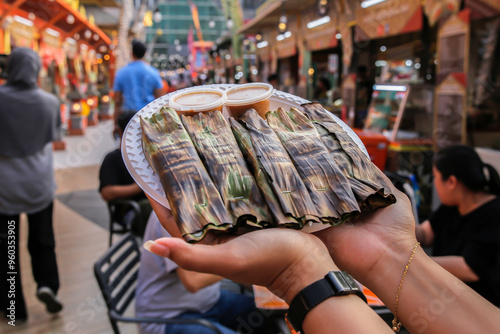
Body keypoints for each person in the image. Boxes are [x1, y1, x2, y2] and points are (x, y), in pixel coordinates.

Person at [145, 180, 500, 333]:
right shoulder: (191, 207)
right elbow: (191, 281)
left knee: (266, 322)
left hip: (208, 302)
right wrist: (389, 254)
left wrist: (296, 271)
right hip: (175, 316)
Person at [0, 48, 63, 322]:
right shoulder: (50, 102)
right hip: (39, 184)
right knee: (43, 241)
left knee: (7, 248)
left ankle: (14, 309)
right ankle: (47, 285)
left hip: (4, 189)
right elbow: (55, 137)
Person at [138, 212, 270, 334]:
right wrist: (242, 262)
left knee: (268, 317)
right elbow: (193, 281)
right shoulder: (172, 212)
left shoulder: (200, 206)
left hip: (208, 301)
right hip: (169, 317)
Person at [416, 145, 500, 306]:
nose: (434, 182)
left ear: (452, 181)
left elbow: (470, 268)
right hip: (445, 302)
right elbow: (425, 234)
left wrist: (414, 262)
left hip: (480, 309)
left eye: (435, 176)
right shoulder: (451, 206)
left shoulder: (494, 214)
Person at [99, 111, 152, 238]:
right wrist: (140, 186)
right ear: (120, 132)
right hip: (129, 210)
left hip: (150, 205)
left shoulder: (147, 154)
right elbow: (106, 192)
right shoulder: (113, 158)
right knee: (150, 210)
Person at [113, 39, 164, 134]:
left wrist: (115, 124)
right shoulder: (154, 73)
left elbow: (117, 101)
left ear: (131, 53)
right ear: (145, 54)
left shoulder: (121, 73)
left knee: (127, 147)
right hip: (148, 117)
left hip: (127, 119)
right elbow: (160, 99)